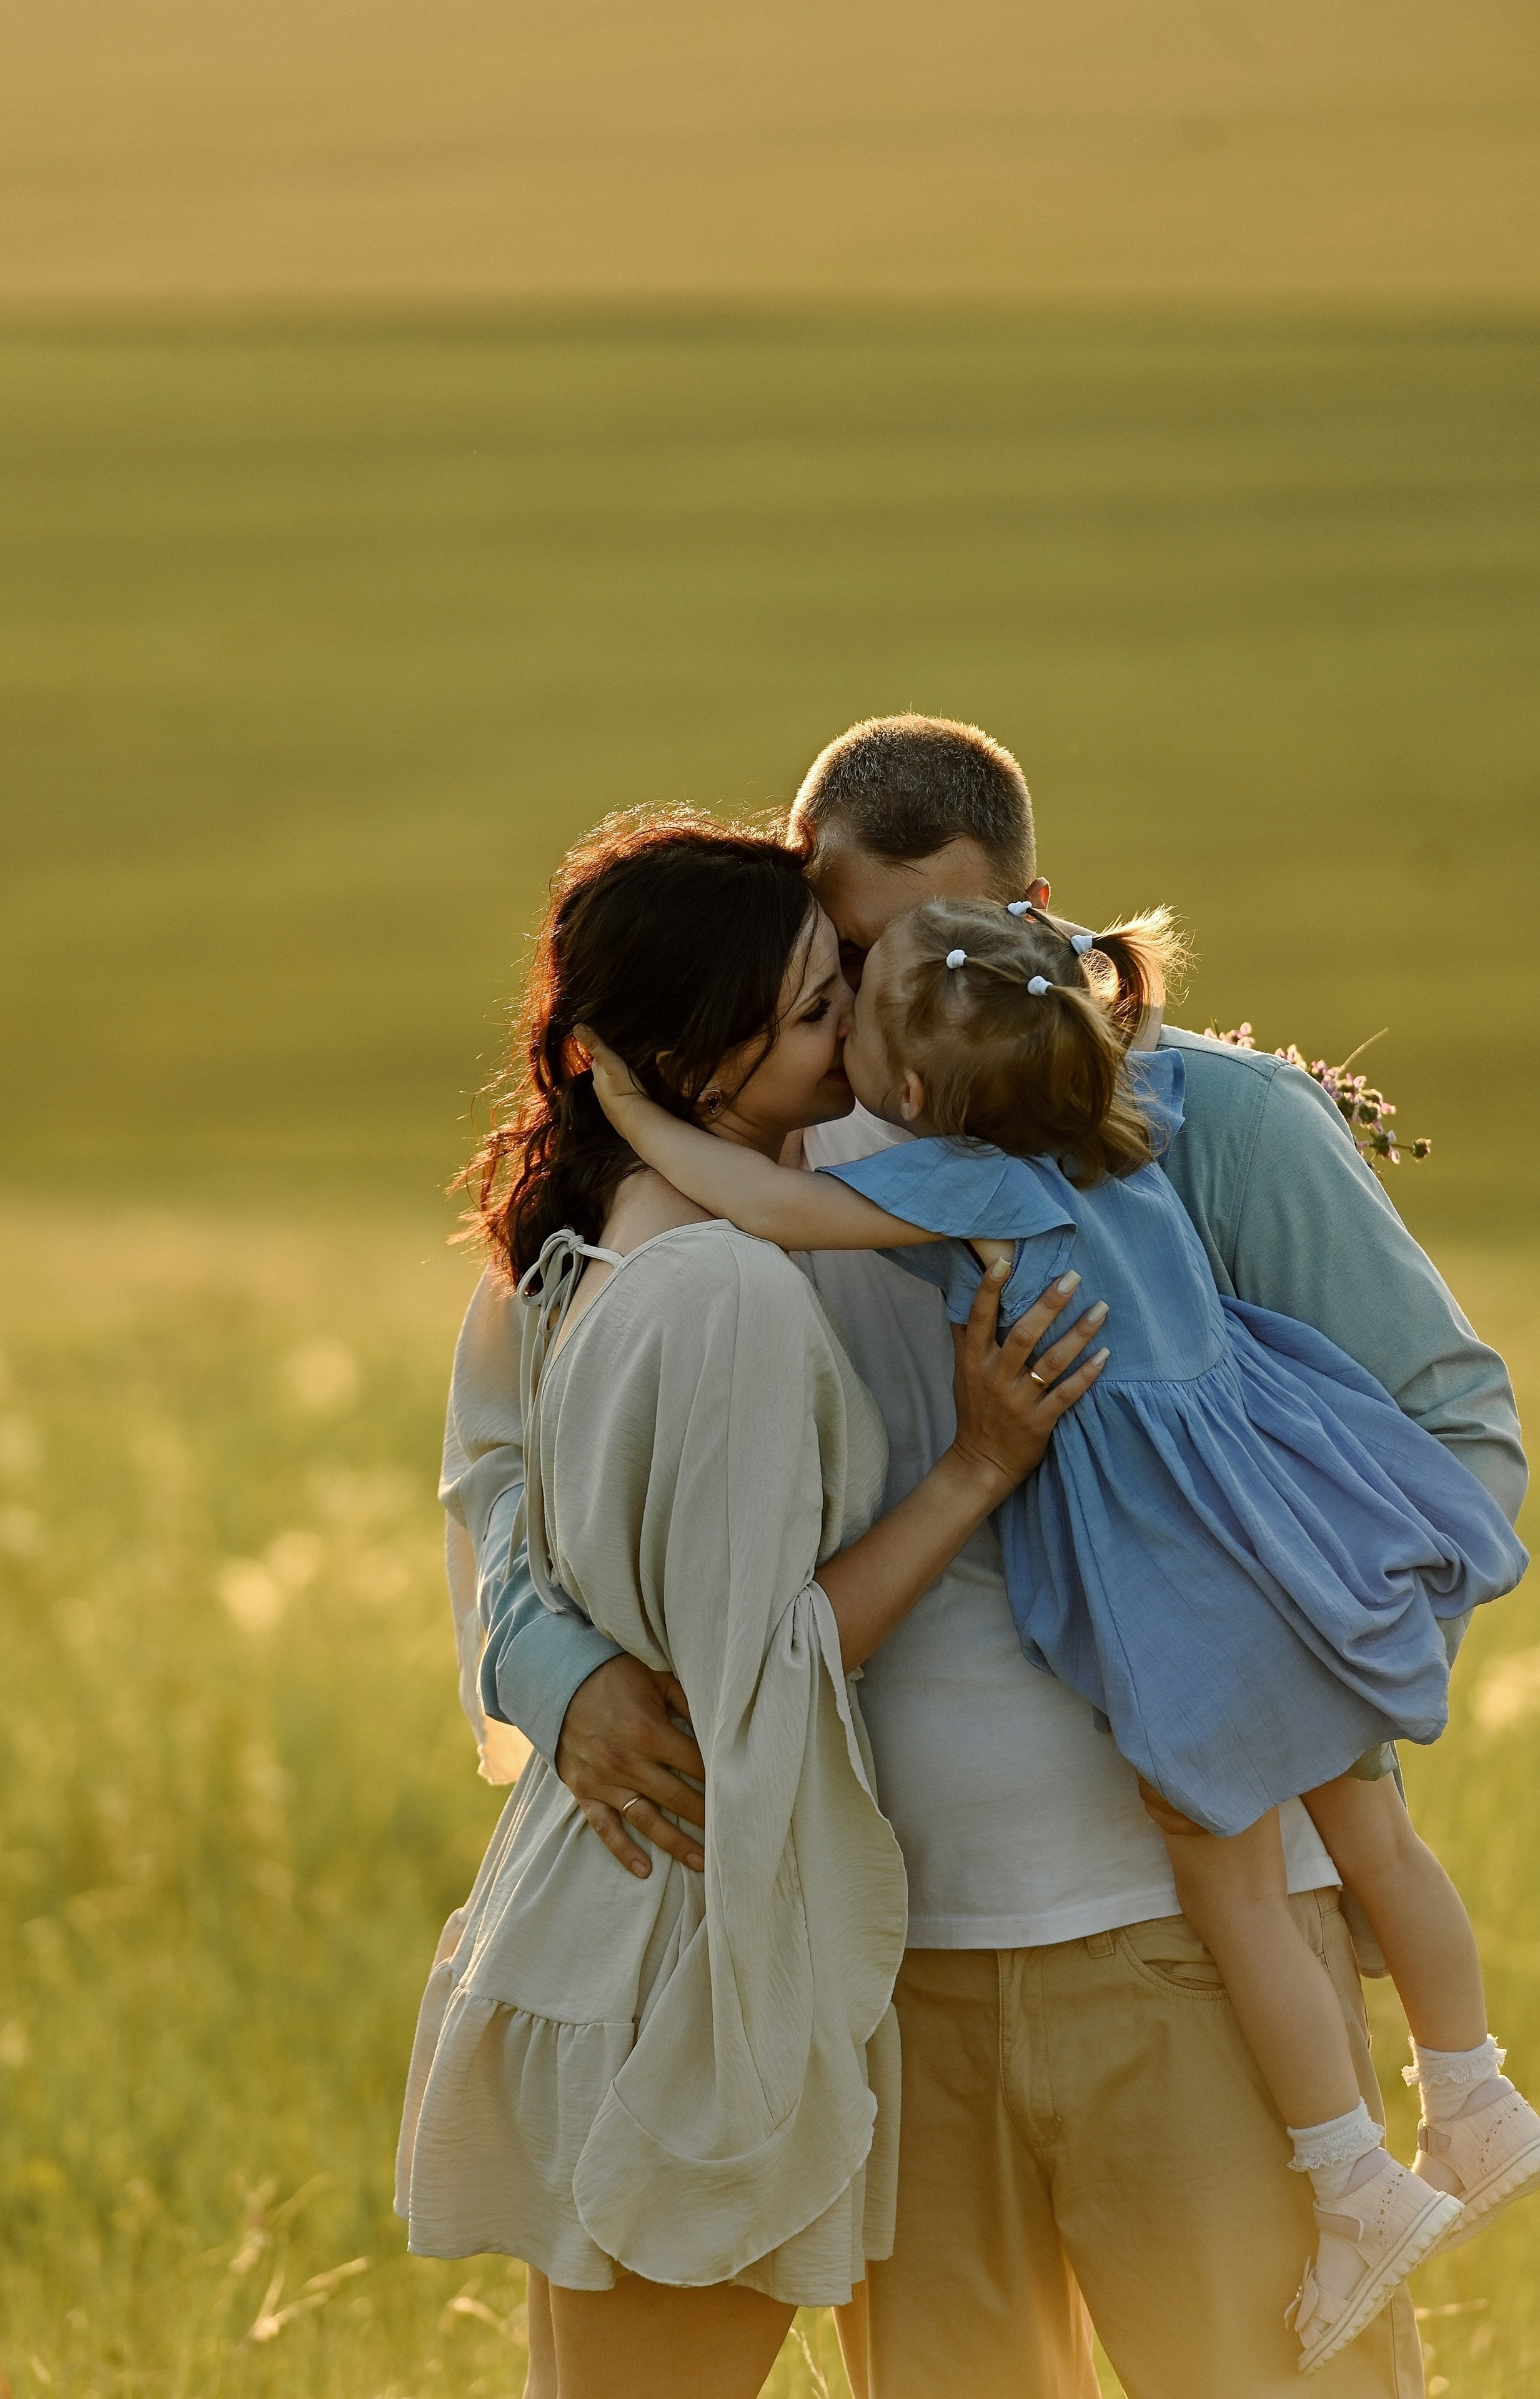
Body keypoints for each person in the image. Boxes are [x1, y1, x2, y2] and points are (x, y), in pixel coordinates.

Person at [450, 717, 1528, 2398]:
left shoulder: (1212, 1119)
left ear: (1034, 919)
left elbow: (1457, 1429)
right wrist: (561, 1675)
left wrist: (1299, 1688)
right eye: (843, 961)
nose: (881, 1016)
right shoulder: (743, 1162)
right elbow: (522, 1476)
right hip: (893, 1965)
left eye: (918, 956)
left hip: (1189, 1944)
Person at [397, 811, 1108, 2399]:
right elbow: (750, 1667)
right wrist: (973, 1469)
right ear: (677, 1057)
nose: (857, 1033)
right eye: (811, 1008)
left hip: (632, 1918)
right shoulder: (716, 1280)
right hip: (690, 1940)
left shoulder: (600, 1233)